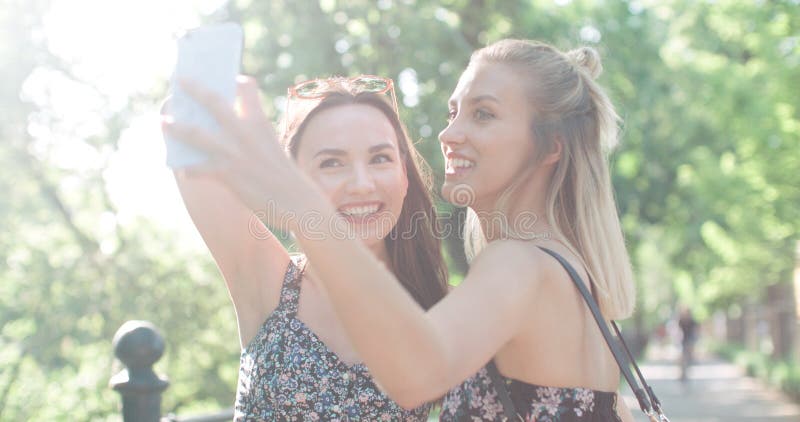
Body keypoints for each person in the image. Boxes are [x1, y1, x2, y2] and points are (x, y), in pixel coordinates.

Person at [169, 39, 637, 421]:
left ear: (404, 174)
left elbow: (417, 374)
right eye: (454, 112)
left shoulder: (513, 265)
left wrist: (301, 206)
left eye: (484, 113)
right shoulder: (539, 270)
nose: (449, 134)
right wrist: (205, 62)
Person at [162, 75, 448, 421]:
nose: (362, 184)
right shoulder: (268, 280)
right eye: (332, 162)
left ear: (404, 173)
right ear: (291, 176)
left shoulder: (439, 307)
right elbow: (182, 123)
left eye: (380, 158)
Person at [678, 306, 698, 382]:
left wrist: (694, 342)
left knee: (688, 357)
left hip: (690, 341)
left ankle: (686, 370)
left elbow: (695, 331)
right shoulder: (681, 320)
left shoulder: (692, 321)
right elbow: (678, 330)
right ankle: (683, 374)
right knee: (682, 358)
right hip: (683, 341)